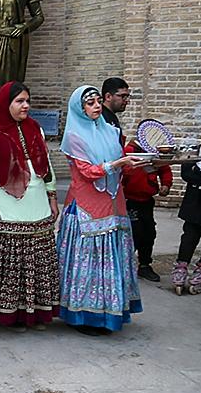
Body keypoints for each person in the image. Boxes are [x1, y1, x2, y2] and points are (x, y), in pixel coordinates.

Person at [57, 85, 145, 335]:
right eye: (89, 103)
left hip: (114, 205)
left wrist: (143, 163)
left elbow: (121, 169)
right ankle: (85, 316)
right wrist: (118, 163)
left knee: (112, 260)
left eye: (97, 101)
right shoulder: (74, 136)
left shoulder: (110, 131)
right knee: (90, 262)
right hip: (87, 207)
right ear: (79, 108)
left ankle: (110, 312)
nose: (96, 106)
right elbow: (87, 172)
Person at [0, 81, 59, 331]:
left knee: (37, 260)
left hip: (37, 204)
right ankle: (12, 315)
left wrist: (52, 195)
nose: (26, 106)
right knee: (13, 262)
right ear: (6, 103)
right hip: (6, 203)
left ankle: (36, 314)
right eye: (19, 101)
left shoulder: (35, 128)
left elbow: (47, 164)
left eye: (27, 101)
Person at [122, 122, 173, 283]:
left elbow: (165, 169)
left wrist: (166, 185)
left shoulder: (156, 153)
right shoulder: (128, 151)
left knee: (149, 233)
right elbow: (120, 171)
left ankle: (144, 265)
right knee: (133, 233)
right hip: (129, 200)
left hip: (147, 201)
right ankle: (125, 266)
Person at [174, 113, 201, 295]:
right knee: (189, 235)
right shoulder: (198, 151)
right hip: (194, 201)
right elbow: (187, 173)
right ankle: (181, 265)